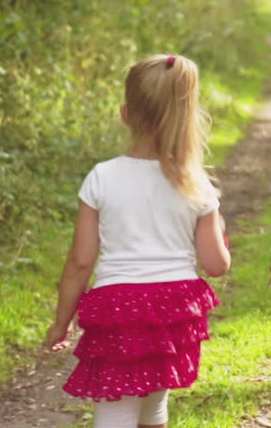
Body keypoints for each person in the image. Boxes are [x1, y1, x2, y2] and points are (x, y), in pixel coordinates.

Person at [45, 54, 231, 428]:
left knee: (116, 413)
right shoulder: (196, 184)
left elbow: (81, 262)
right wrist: (217, 225)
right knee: (152, 406)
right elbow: (216, 265)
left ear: (125, 114)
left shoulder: (103, 177)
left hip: (120, 308)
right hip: (173, 311)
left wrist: (61, 322)